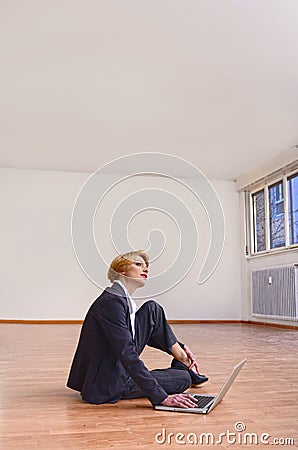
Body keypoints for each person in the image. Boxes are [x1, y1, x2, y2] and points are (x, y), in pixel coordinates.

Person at [67, 250, 208, 409]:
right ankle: (185, 369)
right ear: (121, 271)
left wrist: (179, 347)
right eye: (138, 264)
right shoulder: (111, 304)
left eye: (146, 266)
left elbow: (138, 335)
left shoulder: (119, 299)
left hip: (113, 367)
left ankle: (182, 357)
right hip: (106, 384)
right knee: (182, 378)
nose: (146, 269)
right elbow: (127, 354)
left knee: (152, 309)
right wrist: (160, 398)